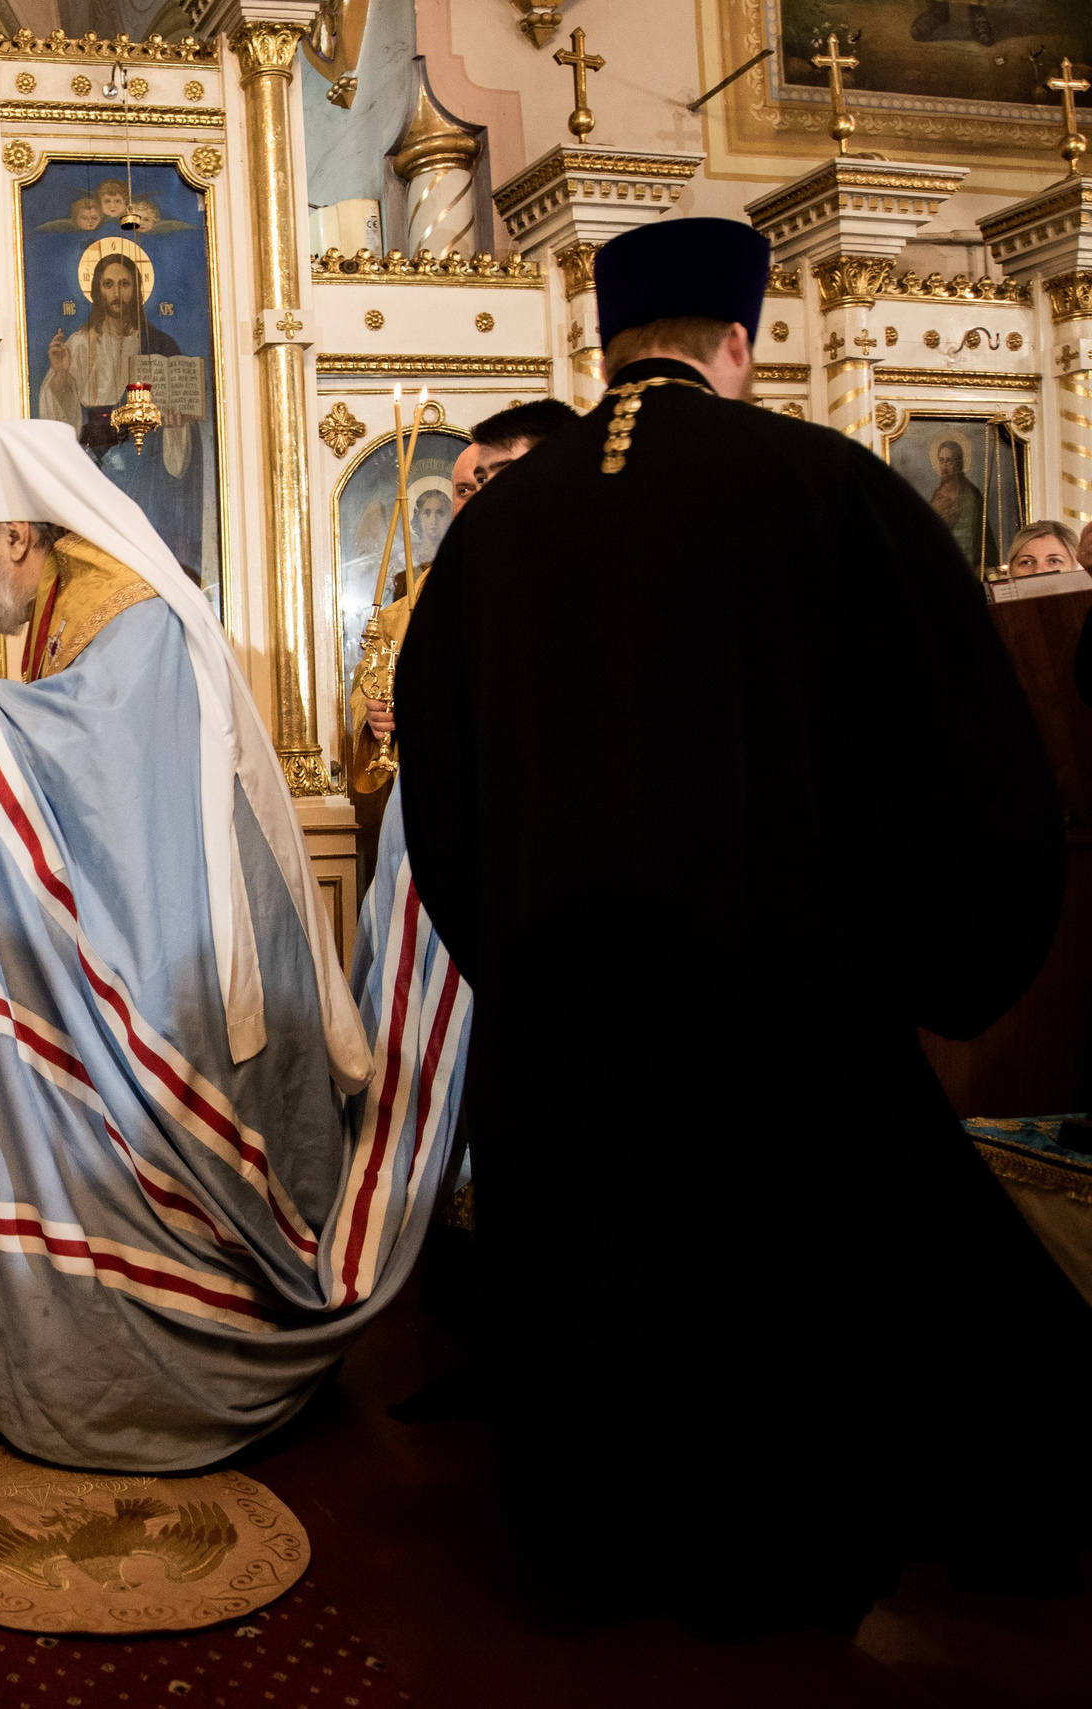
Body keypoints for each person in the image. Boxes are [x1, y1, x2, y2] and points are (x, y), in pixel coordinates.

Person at [394, 216, 1087, 1634]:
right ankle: (777, 1559)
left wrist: (527, 957)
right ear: (742, 343)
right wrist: (912, 949)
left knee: (591, 1287)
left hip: (566, 1031)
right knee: (783, 1314)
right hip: (780, 1026)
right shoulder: (832, 488)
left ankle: (592, 1545)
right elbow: (963, 753)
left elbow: (439, 796)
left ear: (606, 347)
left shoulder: (495, 533)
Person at [0, 418, 408, 1470]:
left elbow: (95, 770)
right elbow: (61, 748)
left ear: (18, 535)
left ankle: (158, 1349)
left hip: (176, 948)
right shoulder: (69, 603)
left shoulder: (126, 613)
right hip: (148, 916)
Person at [349, 398, 574, 793]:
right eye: (467, 488)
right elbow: (371, 697)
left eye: (493, 480)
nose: (479, 499)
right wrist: (374, 719)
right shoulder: (411, 609)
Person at [38, 249, 204, 573]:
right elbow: (60, 418)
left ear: (137, 289)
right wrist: (60, 375)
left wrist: (175, 425)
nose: (117, 293)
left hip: (146, 463)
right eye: (109, 284)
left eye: (125, 284)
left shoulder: (160, 343)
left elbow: (181, 413)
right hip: (95, 463)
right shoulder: (80, 343)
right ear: (97, 289)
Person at [927, 434, 990, 567]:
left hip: (965, 563)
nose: (944, 466)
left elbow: (979, 537)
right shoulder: (937, 494)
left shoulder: (971, 494)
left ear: (959, 463)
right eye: (941, 460)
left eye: (949, 461)